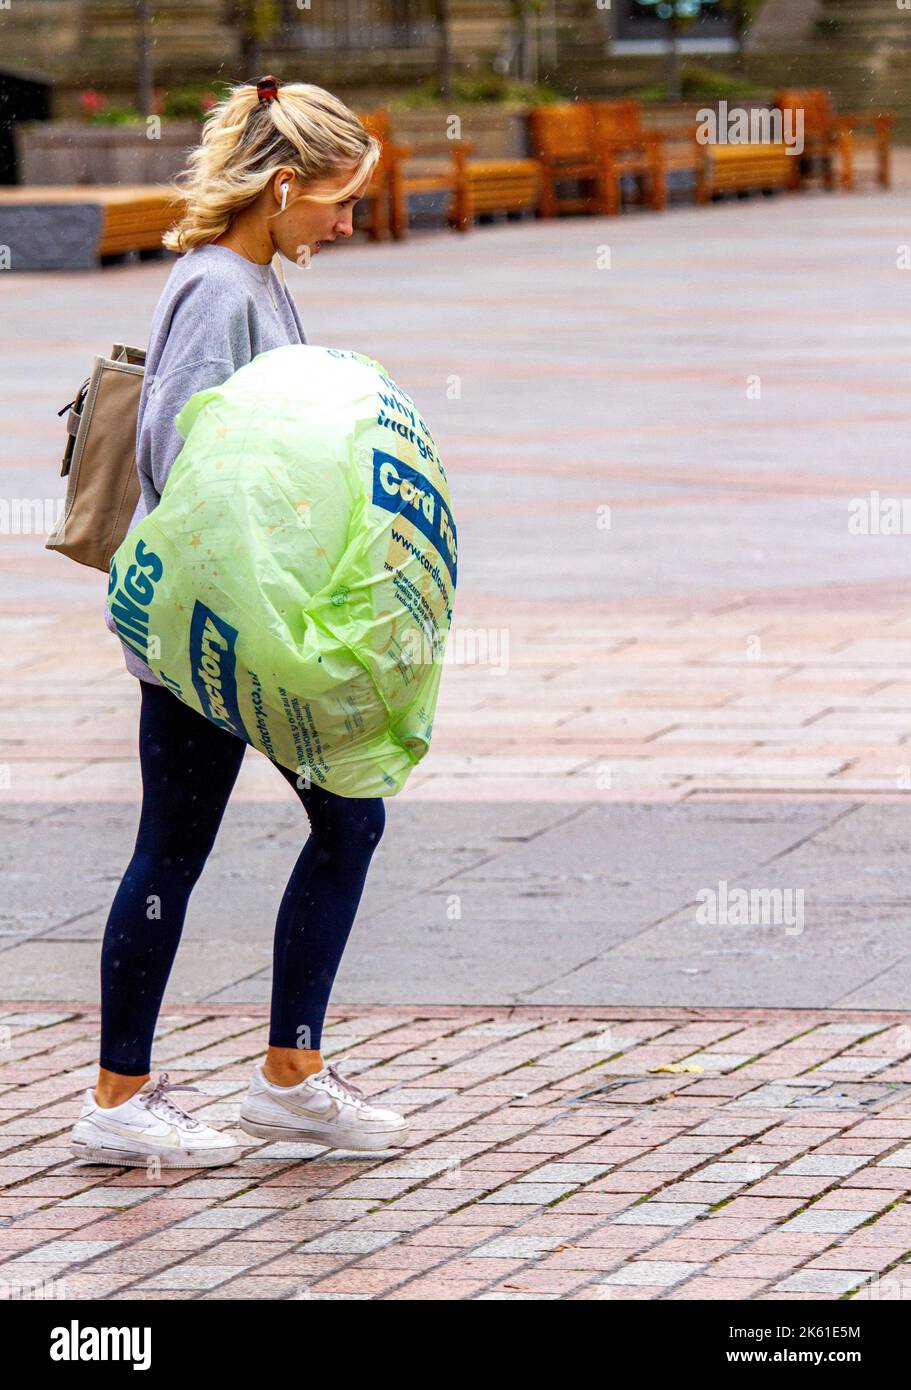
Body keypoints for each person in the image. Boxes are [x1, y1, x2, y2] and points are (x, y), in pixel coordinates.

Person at [69, 76, 407, 1169]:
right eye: (336, 201)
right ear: (280, 185)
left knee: (265, 831)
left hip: (235, 621)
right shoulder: (221, 289)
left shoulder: (247, 274)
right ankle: (149, 1096)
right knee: (216, 838)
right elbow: (186, 457)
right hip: (209, 630)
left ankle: (275, 1078)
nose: (345, 222)